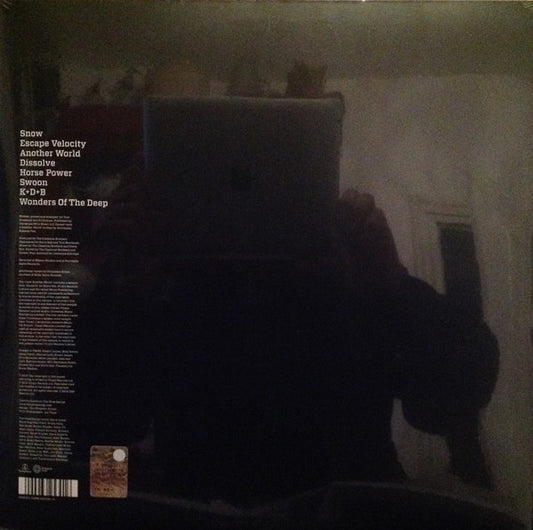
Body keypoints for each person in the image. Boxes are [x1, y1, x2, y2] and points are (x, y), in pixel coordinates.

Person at [72, 157, 498, 506]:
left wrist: (391, 284)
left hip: (332, 515)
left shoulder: (344, 278)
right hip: (334, 513)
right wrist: (122, 288)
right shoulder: (168, 285)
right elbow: (98, 433)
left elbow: (454, 400)